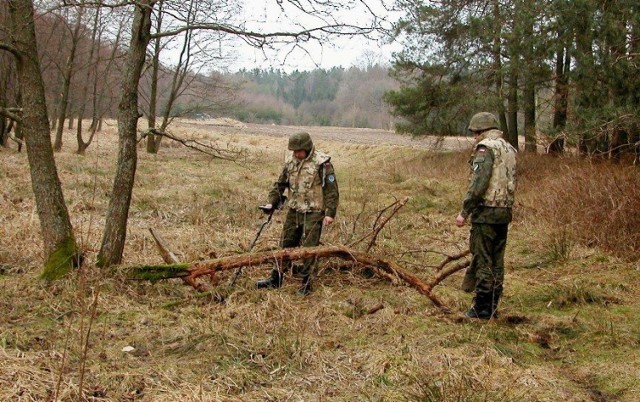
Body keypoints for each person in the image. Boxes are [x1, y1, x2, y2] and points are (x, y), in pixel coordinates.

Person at [256, 132, 339, 295]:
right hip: (294, 210)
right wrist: (271, 202)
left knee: (309, 249)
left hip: (314, 211)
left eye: (298, 151)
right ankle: (276, 278)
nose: (295, 154)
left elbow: (332, 190)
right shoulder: (290, 162)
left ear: (307, 148)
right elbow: (280, 184)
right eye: (293, 151)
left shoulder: (322, 163)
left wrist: (330, 212)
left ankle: (306, 283)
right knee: (286, 244)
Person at [456, 112, 517, 319]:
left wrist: (465, 211)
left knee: (483, 260)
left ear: (481, 131)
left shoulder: (485, 148)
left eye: (475, 133)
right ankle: (493, 304)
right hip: (504, 211)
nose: (474, 137)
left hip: (486, 212)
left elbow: (479, 183)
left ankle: (481, 307)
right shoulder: (509, 148)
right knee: (498, 261)